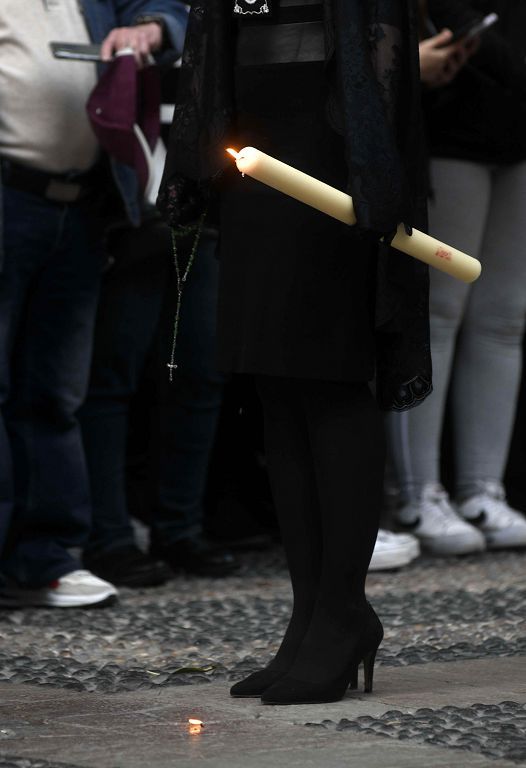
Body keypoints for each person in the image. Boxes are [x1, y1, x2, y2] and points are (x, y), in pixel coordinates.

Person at [158, 0, 431, 704]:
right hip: (252, 147)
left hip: (333, 151)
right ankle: (311, 614)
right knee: (275, 383)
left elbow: (380, 48)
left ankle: (341, 611)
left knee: (329, 375)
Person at [0, 0, 187, 608]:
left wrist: (151, 27)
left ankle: (47, 557)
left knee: (54, 392)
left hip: (81, 204)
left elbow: (167, 9)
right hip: (9, 195)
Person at [388, 0, 526, 556]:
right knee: (436, 311)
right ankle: (417, 492)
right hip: (449, 127)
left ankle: (480, 488)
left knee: (504, 316)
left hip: (515, 133)